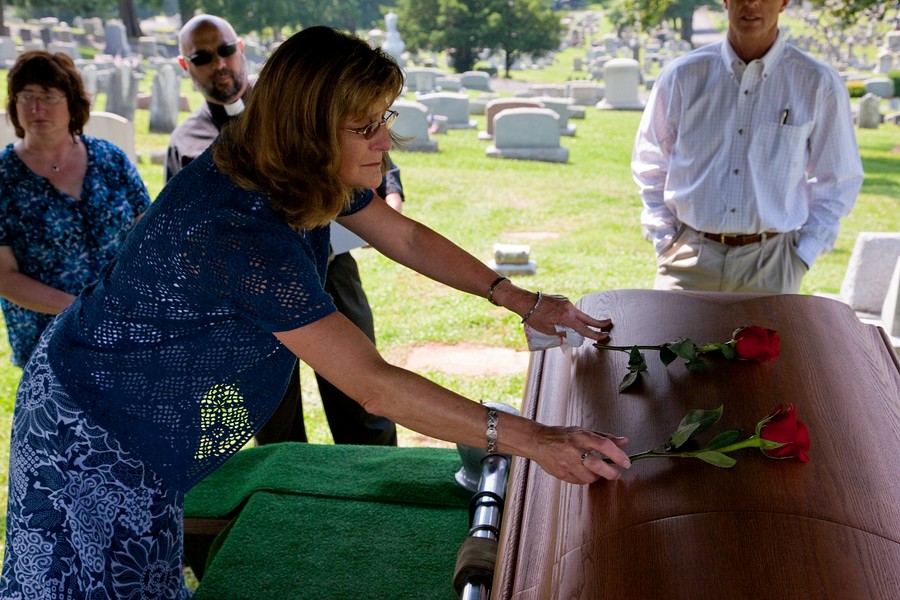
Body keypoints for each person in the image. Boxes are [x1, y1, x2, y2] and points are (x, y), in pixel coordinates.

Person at [0, 27, 632, 598]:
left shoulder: (297, 163)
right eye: (365, 127)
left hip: (140, 403)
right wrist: (536, 440)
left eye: (382, 118)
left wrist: (521, 299)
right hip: (91, 424)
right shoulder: (239, 231)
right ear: (308, 128)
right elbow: (373, 385)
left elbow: (405, 236)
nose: (385, 141)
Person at [168, 14, 399, 447]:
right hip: (250, 296)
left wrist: (389, 201)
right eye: (203, 57)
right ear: (186, 65)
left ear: (240, 49)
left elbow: (376, 165)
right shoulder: (186, 141)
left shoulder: (295, 106)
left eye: (225, 50)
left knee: (362, 401)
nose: (219, 64)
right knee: (273, 415)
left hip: (329, 266)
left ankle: (377, 476)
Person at [631, 0, 864, 294]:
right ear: (725, 1)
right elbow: (651, 162)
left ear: (784, 2)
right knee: (664, 327)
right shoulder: (682, 76)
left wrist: (803, 255)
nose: (752, 3)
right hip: (687, 260)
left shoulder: (817, 83)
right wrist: (665, 239)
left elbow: (839, 178)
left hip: (772, 267)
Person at [0, 50, 150, 368]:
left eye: (48, 96)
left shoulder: (110, 159)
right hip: (50, 341)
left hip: (124, 329)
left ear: (72, 102)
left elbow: (148, 235)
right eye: (26, 97)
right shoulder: (4, 177)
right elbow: (4, 275)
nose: (36, 108)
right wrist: (82, 309)